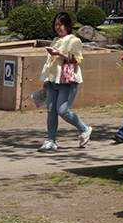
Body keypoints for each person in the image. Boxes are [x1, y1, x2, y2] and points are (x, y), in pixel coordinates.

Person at [38, 12, 93, 151]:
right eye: (56, 24)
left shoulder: (74, 40)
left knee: (63, 111)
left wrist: (59, 54)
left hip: (67, 81)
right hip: (53, 80)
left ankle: (84, 129)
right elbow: (50, 62)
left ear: (67, 25)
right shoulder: (55, 40)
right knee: (51, 111)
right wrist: (46, 79)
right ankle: (51, 140)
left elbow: (77, 60)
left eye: (61, 25)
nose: (58, 27)